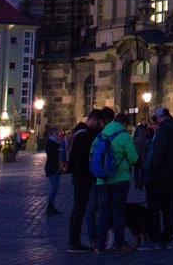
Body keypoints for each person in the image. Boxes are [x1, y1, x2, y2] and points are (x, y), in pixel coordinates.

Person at [92, 110, 139, 254]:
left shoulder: (100, 135)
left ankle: (100, 246)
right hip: (120, 179)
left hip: (102, 180)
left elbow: (92, 156)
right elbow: (134, 158)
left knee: (104, 212)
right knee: (118, 213)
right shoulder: (124, 136)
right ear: (124, 124)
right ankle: (119, 245)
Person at [142, 106, 173, 251]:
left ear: (159, 118)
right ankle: (168, 238)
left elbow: (158, 153)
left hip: (161, 175)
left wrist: (151, 171)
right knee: (169, 206)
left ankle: (155, 238)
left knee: (154, 206)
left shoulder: (164, 130)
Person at [67, 108, 104, 252]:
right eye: (99, 123)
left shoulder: (79, 132)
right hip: (82, 176)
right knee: (79, 209)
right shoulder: (83, 135)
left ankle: (74, 241)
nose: (99, 126)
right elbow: (82, 158)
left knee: (78, 208)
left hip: (79, 176)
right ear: (93, 119)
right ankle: (74, 242)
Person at [44, 126, 63, 214]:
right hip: (52, 168)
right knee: (54, 187)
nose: (58, 135)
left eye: (58, 133)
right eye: (56, 134)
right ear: (51, 135)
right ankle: (50, 205)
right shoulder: (50, 143)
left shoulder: (55, 143)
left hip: (55, 167)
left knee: (56, 187)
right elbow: (55, 155)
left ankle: (51, 205)